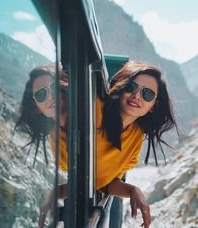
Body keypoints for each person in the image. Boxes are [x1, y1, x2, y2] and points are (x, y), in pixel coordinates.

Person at [15, 61, 179, 228]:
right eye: (131, 87)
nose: (137, 96)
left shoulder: (136, 136)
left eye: (148, 94)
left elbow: (104, 183)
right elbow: (87, 180)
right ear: (121, 89)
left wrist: (132, 190)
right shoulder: (91, 112)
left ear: (153, 106)